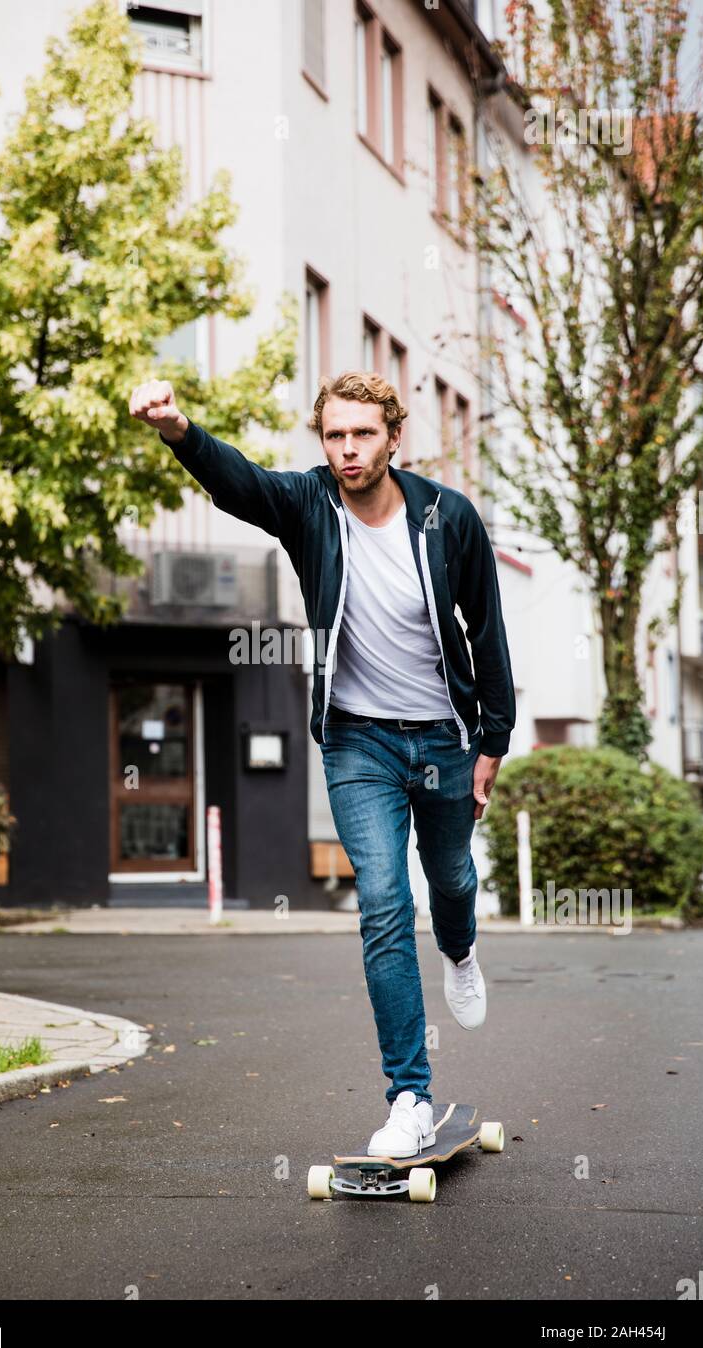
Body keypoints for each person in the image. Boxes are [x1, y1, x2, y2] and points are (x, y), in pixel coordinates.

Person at [128, 371, 515, 1158]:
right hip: (357, 741)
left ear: (392, 438)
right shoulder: (308, 506)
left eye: (362, 434)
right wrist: (178, 430)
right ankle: (409, 1094)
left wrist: (492, 741)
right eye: (334, 435)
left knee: (450, 879)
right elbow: (240, 483)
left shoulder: (448, 519)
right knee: (380, 901)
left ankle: (462, 950)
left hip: (443, 737)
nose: (346, 450)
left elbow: (489, 631)